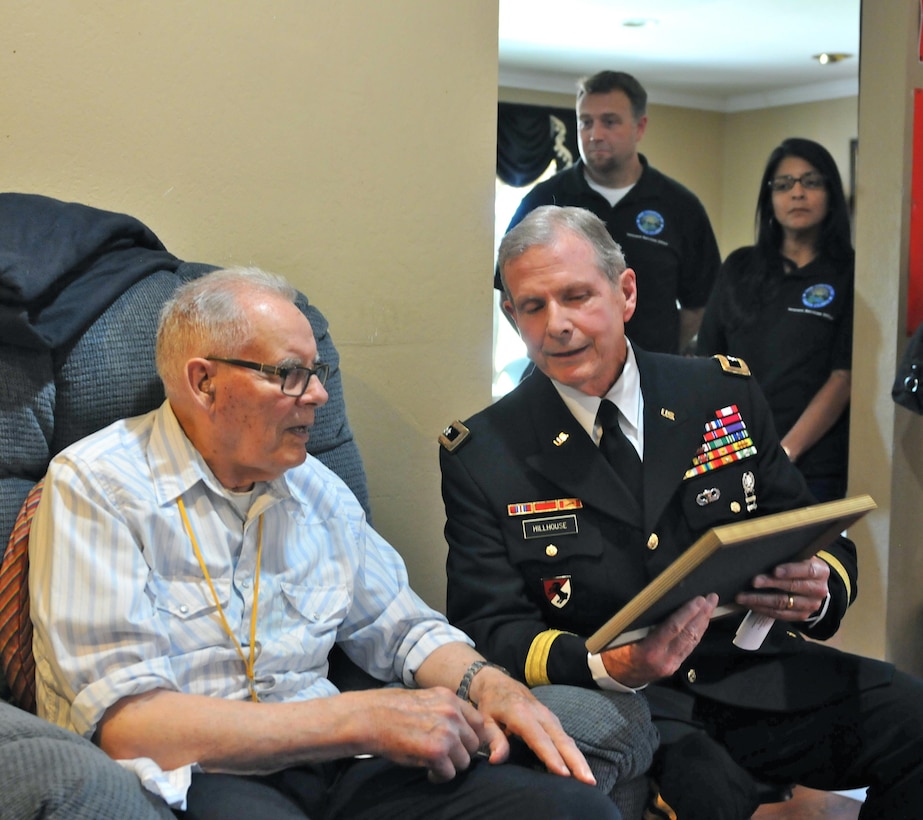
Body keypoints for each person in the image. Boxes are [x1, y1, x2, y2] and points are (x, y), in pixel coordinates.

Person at [28, 267, 626, 820]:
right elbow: (130, 726)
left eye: (316, 374)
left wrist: (489, 683)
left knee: (574, 810)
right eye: (290, 374)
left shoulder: (315, 488)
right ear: (204, 382)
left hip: (342, 766)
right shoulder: (98, 486)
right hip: (202, 775)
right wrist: (358, 717)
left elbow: (406, 629)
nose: (316, 395)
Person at [441, 205, 923, 819]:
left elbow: (811, 529)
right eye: (532, 306)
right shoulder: (484, 453)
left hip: (754, 668)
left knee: (914, 721)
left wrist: (820, 588)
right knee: (709, 793)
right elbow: (493, 627)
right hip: (637, 699)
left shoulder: (720, 393)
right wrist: (605, 664)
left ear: (626, 292)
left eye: (577, 296)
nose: (557, 324)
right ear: (512, 316)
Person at [496, 70, 720, 355]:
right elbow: (510, 293)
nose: (595, 135)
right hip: (561, 376)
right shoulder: (544, 201)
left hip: (650, 382)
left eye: (609, 122)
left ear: (639, 127)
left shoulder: (680, 206)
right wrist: (550, 348)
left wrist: (656, 356)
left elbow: (700, 304)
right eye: (586, 122)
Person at [697, 138, 854, 502]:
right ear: (769, 198)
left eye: (811, 182)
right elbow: (710, 365)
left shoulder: (849, 273)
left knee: (803, 560)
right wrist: (730, 449)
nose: (797, 193)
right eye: (784, 185)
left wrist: (784, 453)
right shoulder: (739, 267)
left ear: (831, 193)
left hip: (811, 464)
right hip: (731, 455)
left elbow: (843, 377)